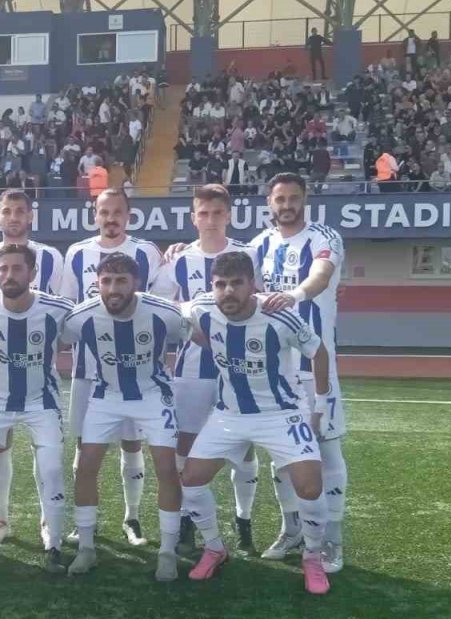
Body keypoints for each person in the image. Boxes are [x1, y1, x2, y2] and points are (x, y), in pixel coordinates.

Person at [179, 251, 332, 594]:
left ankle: (312, 556)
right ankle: (215, 548)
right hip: (230, 415)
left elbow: (318, 352)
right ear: (212, 286)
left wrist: (319, 407)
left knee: (310, 487)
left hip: (282, 414)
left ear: (252, 285)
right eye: (220, 284)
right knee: (191, 480)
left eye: (236, 283)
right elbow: (185, 319)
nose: (228, 291)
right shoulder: (202, 309)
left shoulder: (279, 316)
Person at [247, 173, 350, 574]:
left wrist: (294, 295)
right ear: (269, 203)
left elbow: (321, 274)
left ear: (304, 200)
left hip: (315, 363)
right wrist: (180, 249)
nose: (287, 205)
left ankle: (332, 539)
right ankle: (291, 529)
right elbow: (228, 266)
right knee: (280, 450)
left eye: (293, 198)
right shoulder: (260, 244)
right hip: (275, 367)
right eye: (280, 199)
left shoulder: (324, 236)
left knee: (327, 450)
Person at [61, 253, 187, 581]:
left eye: (121, 281)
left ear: (136, 283)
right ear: (97, 284)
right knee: (85, 466)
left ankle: (167, 553)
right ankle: (86, 548)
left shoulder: (165, 312)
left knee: (167, 469)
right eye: (106, 281)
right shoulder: (81, 316)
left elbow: (195, 331)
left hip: (153, 394)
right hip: (106, 395)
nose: (113, 289)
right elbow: (57, 334)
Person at [60, 188, 175, 546]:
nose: (110, 218)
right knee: (84, 447)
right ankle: (84, 525)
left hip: (138, 371)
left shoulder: (147, 252)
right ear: (95, 215)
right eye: (104, 212)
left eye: (117, 212)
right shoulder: (77, 252)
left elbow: (161, 303)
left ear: (128, 215)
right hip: (88, 369)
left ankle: (132, 517)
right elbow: (68, 305)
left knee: (132, 443)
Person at [0, 244, 76, 573]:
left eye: (17, 268)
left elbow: (88, 322)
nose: (9, 275)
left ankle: (53, 544)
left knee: (51, 470)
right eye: (3, 269)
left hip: (42, 400)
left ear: (32, 273)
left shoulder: (58, 308)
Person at [154, 185, 257, 554]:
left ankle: (244, 519)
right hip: (192, 368)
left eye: (217, 213)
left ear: (228, 215)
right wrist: (188, 323)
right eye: (203, 213)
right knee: (186, 443)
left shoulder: (249, 254)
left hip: (241, 368)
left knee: (244, 447)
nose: (210, 220)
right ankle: (185, 519)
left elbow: (264, 301)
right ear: (193, 217)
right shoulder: (178, 260)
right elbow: (162, 309)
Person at [0, 189, 66, 544]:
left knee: (46, 453)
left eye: (20, 211)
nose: (13, 217)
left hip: (39, 371)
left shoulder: (51, 256)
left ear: (30, 216)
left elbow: (58, 311)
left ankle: (47, 522)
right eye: (7, 211)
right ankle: (0, 520)